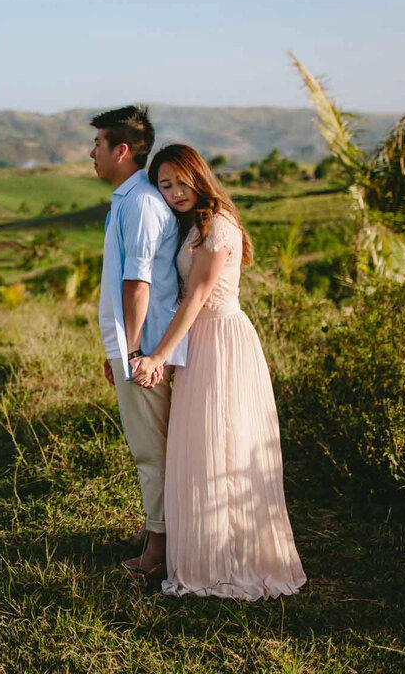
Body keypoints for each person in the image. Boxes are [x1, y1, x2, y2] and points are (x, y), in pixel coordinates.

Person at [131, 143, 306, 600]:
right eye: (164, 185)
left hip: (222, 341)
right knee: (199, 446)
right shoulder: (191, 226)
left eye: (179, 181)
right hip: (199, 343)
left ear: (198, 175)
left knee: (223, 441)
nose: (173, 192)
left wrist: (158, 355)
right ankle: (204, 550)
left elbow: (199, 295)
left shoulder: (219, 225)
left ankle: (233, 558)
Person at [89, 106, 186, 577]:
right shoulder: (128, 199)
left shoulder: (142, 203)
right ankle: (157, 533)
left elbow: (138, 283)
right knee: (149, 448)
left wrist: (132, 353)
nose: (92, 154)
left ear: (121, 150)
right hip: (133, 346)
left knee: (152, 451)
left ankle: (158, 554)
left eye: (98, 145)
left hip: (145, 351)